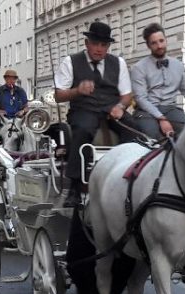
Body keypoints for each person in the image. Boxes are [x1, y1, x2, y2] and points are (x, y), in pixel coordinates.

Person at [54, 21, 136, 207]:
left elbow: (126, 95)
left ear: (108, 46)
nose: (99, 49)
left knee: (134, 130)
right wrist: (77, 91)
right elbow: (59, 96)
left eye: (104, 45)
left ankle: (129, 176)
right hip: (84, 109)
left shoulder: (119, 63)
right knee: (82, 129)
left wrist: (121, 107)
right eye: (95, 44)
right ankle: (74, 187)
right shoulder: (71, 62)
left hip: (111, 109)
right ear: (87, 43)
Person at [130, 22, 185, 140]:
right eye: (154, 43)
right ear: (148, 45)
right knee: (152, 136)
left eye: (161, 41)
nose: (159, 46)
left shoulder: (178, 65)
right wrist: (161, 118)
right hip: (146, 112)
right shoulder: (138, 68)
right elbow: (141, 99)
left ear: (166, 40)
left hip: (171, 109)